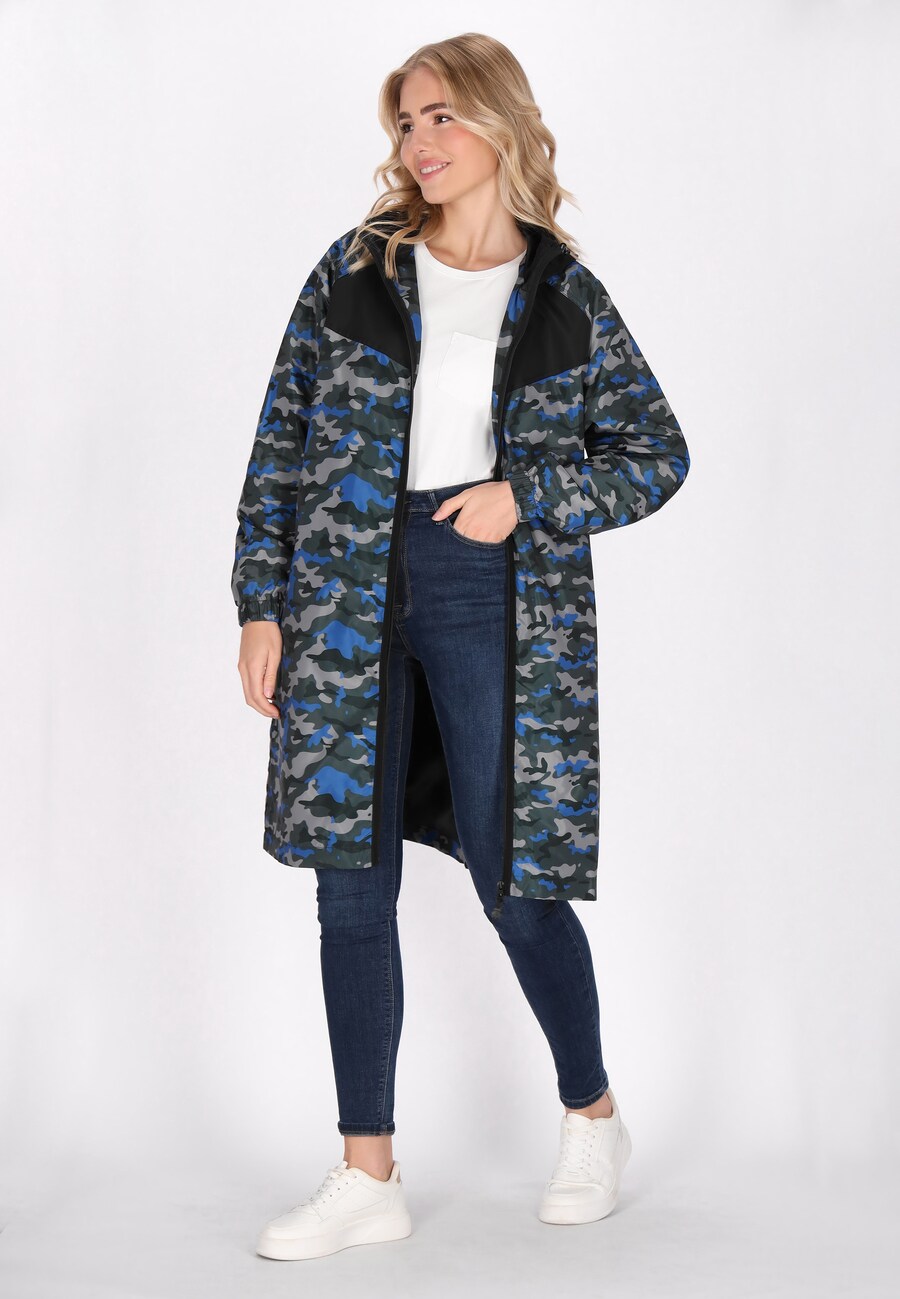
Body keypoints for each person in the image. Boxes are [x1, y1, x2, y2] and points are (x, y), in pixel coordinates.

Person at [232, 33, 690, 1261]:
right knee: (348, 877)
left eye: (440, 116)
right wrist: (261, 603)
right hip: (342, 586)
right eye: (405, 123)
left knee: (514, 875)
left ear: (497, 120)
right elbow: (281, 440)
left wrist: (528, 495)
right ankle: (367, 1171)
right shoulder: (357, 270)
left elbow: (658, 453)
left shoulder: (563, 294)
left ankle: (592, 1116)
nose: (419, 142)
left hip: (492, 586)